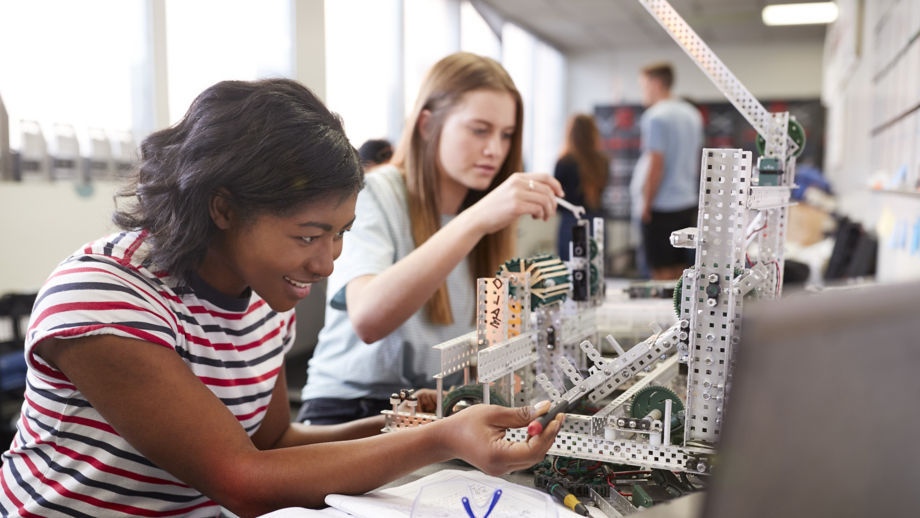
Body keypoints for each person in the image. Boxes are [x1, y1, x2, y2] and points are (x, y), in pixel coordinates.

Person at [0, 79, 563, 517]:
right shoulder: (107, 296)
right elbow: (243, 480)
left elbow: (273, 442)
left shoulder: (263, 297)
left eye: (341, 233)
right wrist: (440, 441)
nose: (327, 263)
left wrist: (404, 426)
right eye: (307, 235)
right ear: (223, 209)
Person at [299, 52, 565, 425]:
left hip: (437, 409)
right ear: (427, 124)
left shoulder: (486, 220)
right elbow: (368, 319)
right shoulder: (375, 193)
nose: (495, 149)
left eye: (506, 135)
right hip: (350, 412)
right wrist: (476, 220)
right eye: (479, 130)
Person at [630, 62, 703, 280]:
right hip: (687, 202)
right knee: (681, 271)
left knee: (660, 273)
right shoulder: (692, 114)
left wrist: (646, 203)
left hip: (661, 206)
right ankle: (680, 314)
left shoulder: (655, 116)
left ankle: (665, 314)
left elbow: (656, 163)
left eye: (643, 85)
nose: (642, 91)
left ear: (656, 83)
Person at [554, 114, 609, 260]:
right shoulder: (603, 161)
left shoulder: (564, 162)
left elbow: (557, 199)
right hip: (597, 222)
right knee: (596, 271)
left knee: (571, 271)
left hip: (571, 223)